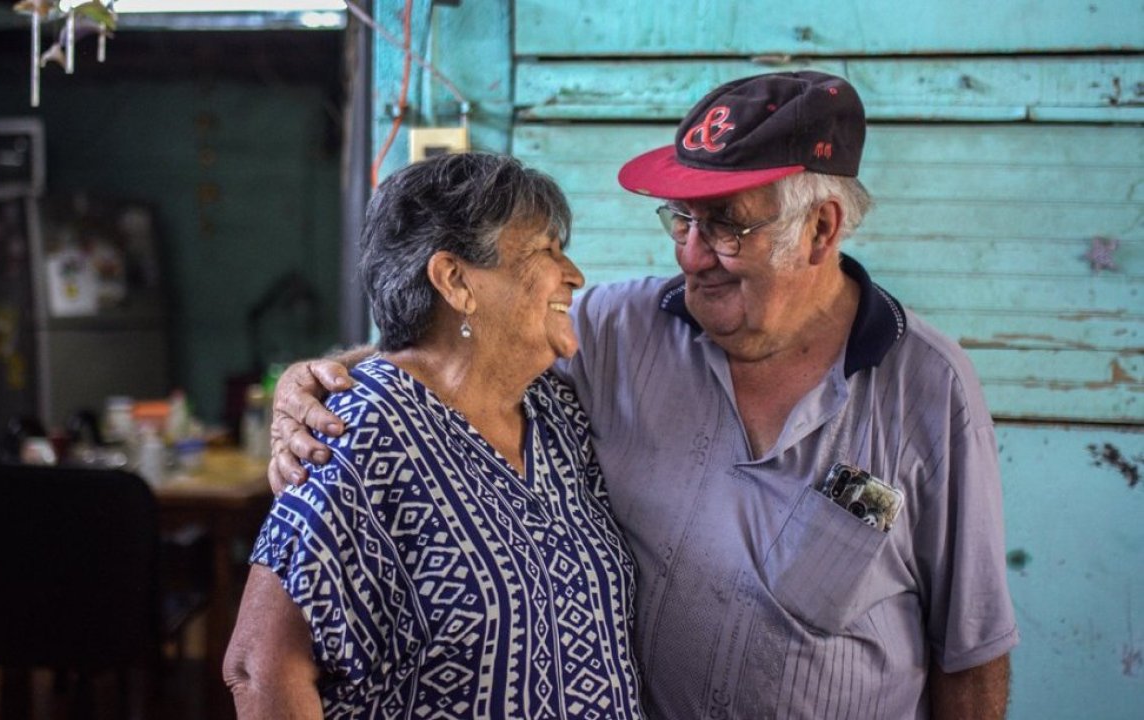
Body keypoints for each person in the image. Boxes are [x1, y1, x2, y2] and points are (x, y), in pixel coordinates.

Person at [269, 71, 1019, 719]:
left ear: (820, 230)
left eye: (726, 225)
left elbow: (972, 655)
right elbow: (458, 349)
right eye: (682, 219)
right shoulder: (614, 332)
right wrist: (329, 377)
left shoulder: (928, 389)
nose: (693, 255)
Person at [222, 152, 645, 719]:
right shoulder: (357, 429)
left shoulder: (555, 411)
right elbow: (259, 667)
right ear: (455, 280)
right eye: (546, 250)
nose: (574, 275)